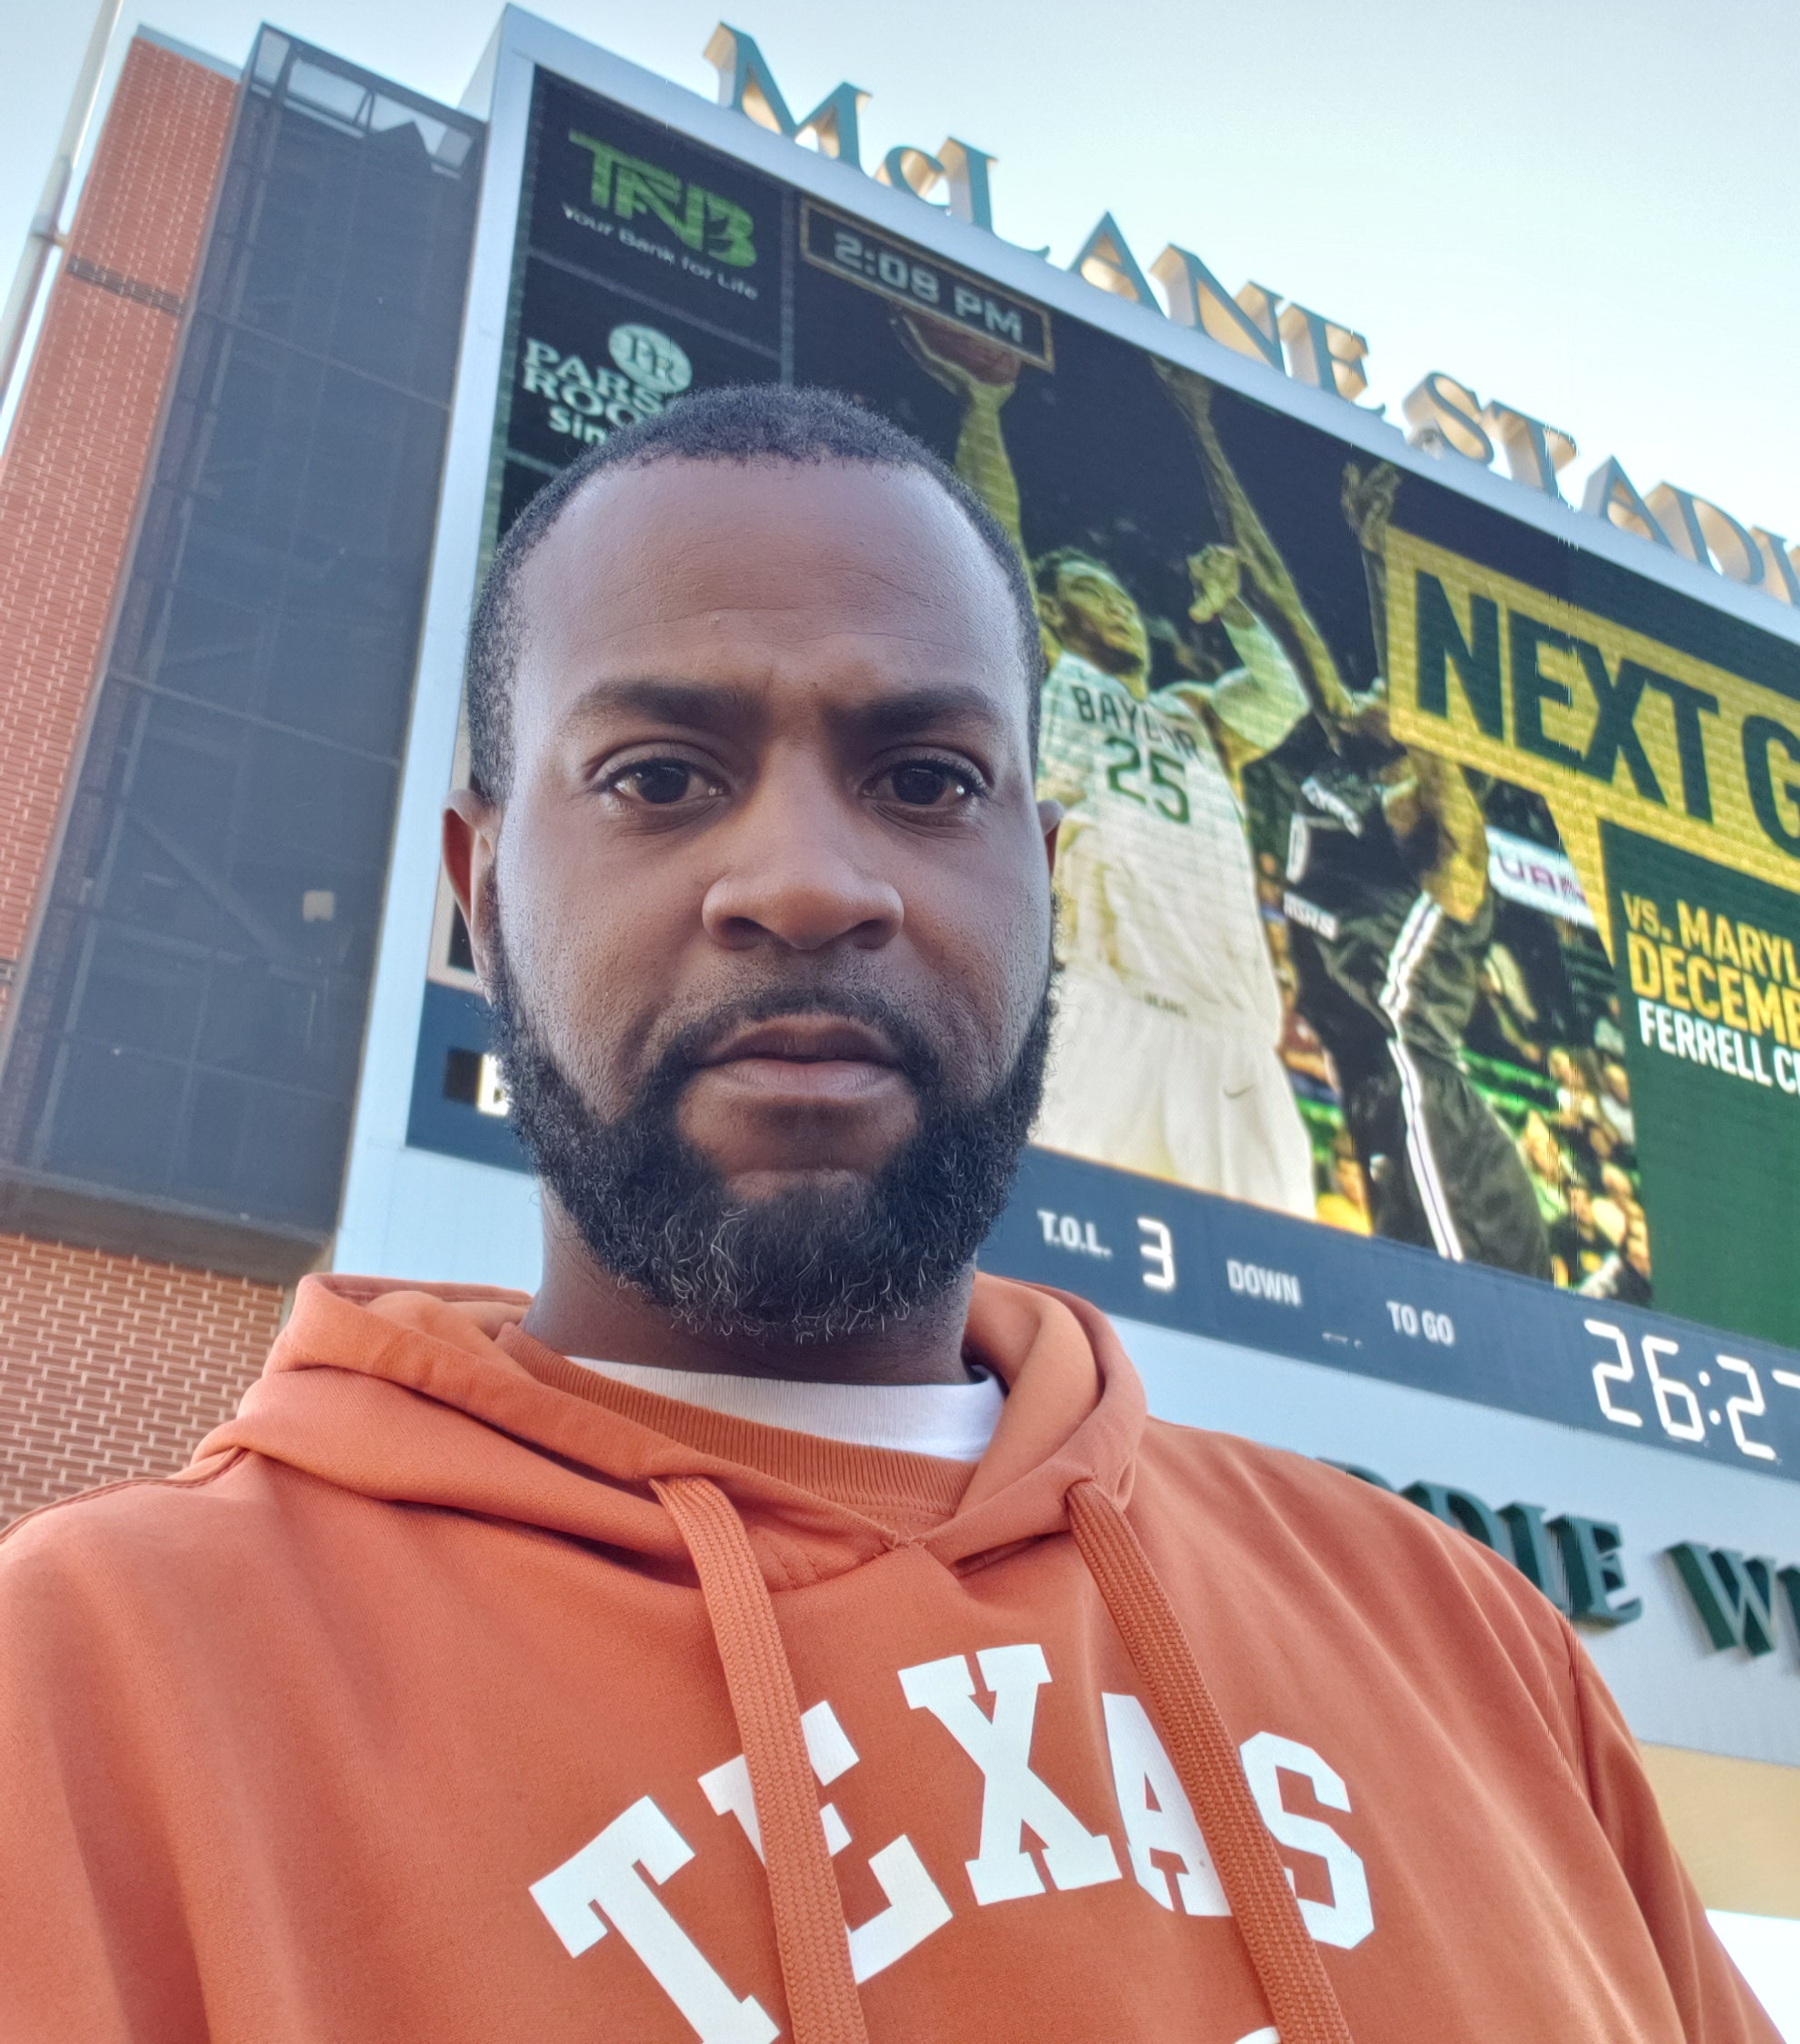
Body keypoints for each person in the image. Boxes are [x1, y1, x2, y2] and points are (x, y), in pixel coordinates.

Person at [0, 386, 1769, 2044]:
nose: (806, 884)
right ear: (480, 894)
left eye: (927, 781)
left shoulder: (1466, 1639)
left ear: (1044, 885)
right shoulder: (92, 1688)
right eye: (658, 775)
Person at [898, 316, 1315, 1217]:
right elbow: (992, 561)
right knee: (1053, 1262)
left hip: (1235, 1039)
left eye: (1125, 598)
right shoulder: (1054, 674)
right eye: (1094, 592)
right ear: (1055, 610)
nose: (1121, 609)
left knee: (1274, 1273)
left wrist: (1237, 610)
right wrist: (985, 411)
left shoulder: (1197, 712)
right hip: (1100, 1000)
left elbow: (1284, 700)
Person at [1165, 400, 1553, 1279]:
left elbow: (1423, 711)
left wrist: (1388, 566)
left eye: (1391, 691)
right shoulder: (1357, 761)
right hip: (1375, 1094)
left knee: (1459, 1316)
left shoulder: (1445, 847)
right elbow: (1274, 589)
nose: (1369, 689)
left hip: (1426, 1104)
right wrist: (1200, 426)